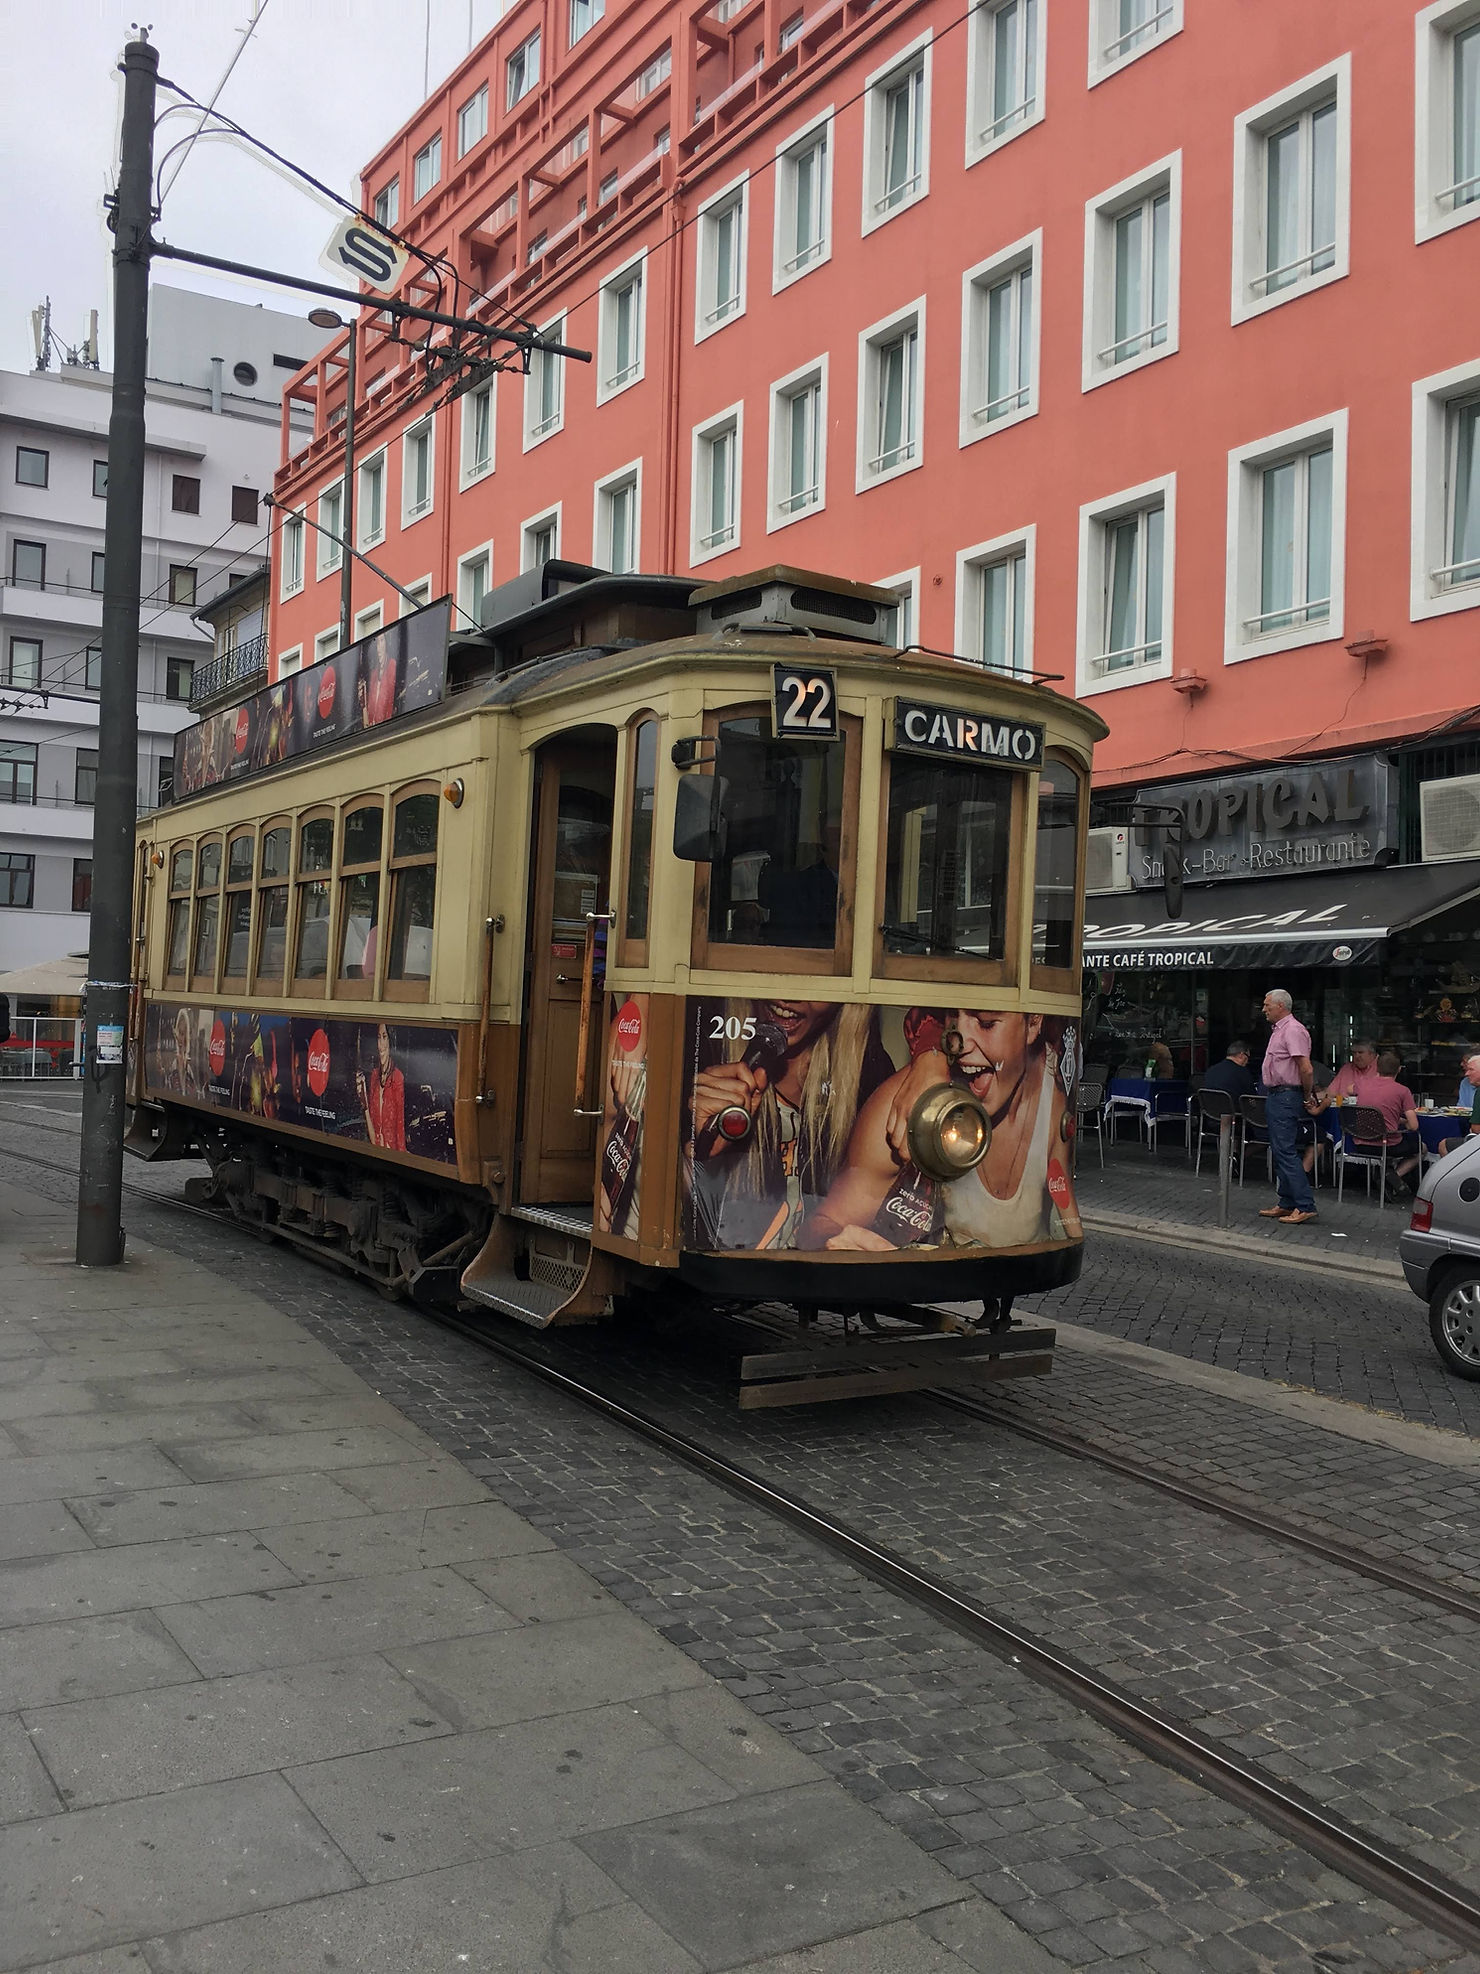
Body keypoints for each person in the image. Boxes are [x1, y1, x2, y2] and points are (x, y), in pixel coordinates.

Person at [799, 1009, 1081, 1252]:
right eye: (953, 1019)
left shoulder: (1052, 1093)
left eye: (985, 1023)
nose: (961, 1045)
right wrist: (835, 1241)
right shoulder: (904, 1108)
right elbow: (823, 1225)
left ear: (1033, 1024)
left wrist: (1073, 1247)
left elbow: (1062, 1195)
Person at [688, 1000, 892, 1249]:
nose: (788, 996)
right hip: (715, 1278)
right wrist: (697, 1148)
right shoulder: (702, 1042)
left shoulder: (868, 1071)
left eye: (817, 975)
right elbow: (666, 1218)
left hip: (813, 1280)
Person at [1258, 988, 1319, 1224]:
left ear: (1281, 1006)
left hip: (1286, 1094)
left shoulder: (1293, 1030)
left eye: (1267, 1005)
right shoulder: (1280, 1030)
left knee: (1285, 1150)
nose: (1264, 1009)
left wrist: (1305, 1095)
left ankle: (1304, 1204)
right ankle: (1286, 1202)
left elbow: (1306, 1067)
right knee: (1280, 1148)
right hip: (1277, 1094)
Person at [358, 1021, 405, 1151]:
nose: (381, 1045)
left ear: (391, 1041)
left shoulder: (397, 1078)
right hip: (377, 1150)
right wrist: (364, 1101)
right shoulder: (374, 1076)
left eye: (384, 1037)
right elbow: (373, 1134)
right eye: (379, 1038)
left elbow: (400, 1126)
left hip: (392, 1152)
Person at [1439, 1051, 1480, 1156]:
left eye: (1471, 1069)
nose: (1466, 1073)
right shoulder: (1465, 1083)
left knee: (1444, 1145)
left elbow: (1476, 1129)